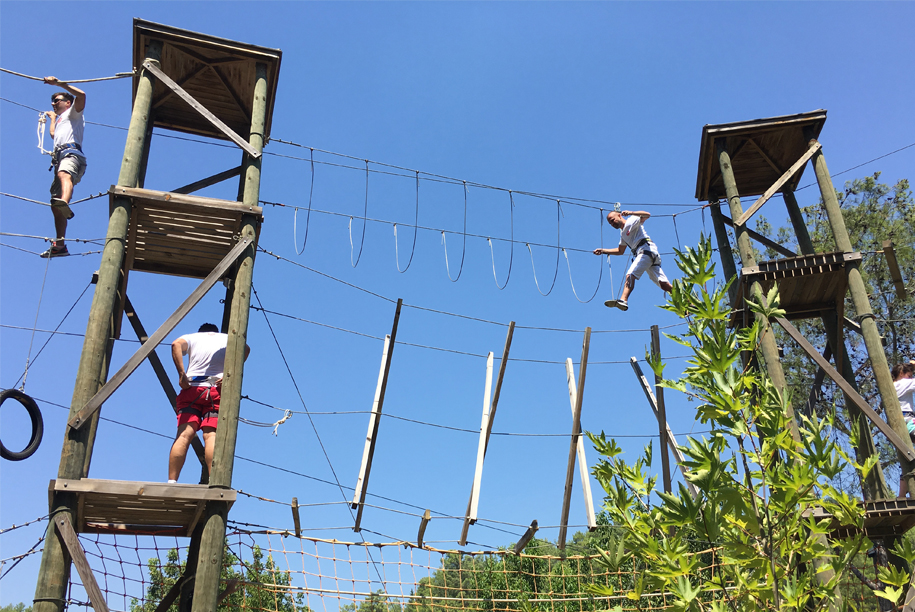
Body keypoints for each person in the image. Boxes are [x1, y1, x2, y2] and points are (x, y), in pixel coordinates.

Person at [168, 323, 250, 483]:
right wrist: (229, 372)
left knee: (184, 435)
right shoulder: (227, 338)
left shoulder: (192, 337)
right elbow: (246, 349)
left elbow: (175, 344)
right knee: (211, 435)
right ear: (216, 331)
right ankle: (214, 480)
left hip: (192, 388)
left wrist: (181, 373)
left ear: (202, 332)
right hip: (215, 390)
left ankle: (172, 481)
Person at [42, 77, 87, 258]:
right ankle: (60, 244)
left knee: (64, 174)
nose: (53, 103)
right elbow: (54, 135)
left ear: (68, 103)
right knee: (54, 203)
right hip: (61, 157)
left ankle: (65, 203)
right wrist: (53, 119)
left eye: (57, 101)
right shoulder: (62, 120)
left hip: (73, 155)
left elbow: (82, 95)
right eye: (52, 101)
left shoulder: (74, 114)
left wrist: (59, 83)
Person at [593, 210, 673, 311]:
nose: (612, 224)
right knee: (663, 284)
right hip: (648, 254)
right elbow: (620, 250)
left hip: (646, 250)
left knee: (630, 275)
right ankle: (688, 303)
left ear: (619, 215)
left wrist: (631, 212)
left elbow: (647, 214)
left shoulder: (632, 220)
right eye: (610, 223)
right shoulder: (623, 235)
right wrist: (603, 251)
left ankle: (623, 300)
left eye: (613, 220)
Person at [894, 362, 915, 497]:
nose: (910, 378)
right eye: (909, 376)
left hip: (901, 422)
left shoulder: (892, 386)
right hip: (908, 420)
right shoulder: (902, 383)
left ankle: (901, 496)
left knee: (909, 461)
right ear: (901, 374)